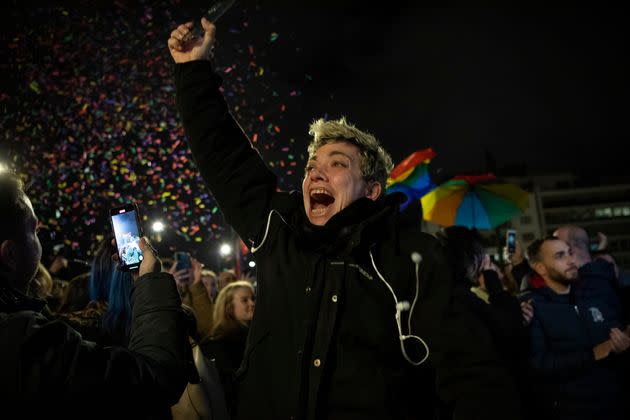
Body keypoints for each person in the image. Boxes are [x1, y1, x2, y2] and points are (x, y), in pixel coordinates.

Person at [169, 19, 455, 420]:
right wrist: (193, 69)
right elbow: (224, 155)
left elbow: (467, 372)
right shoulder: (277, 227)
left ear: (372, 190)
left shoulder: (411, 259)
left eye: (337, 164)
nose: (316, 173)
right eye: (311, 165)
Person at [0, 172, 190, 416]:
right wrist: (149, 281)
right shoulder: (25, 342)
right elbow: (154, 381)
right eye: (34, 231)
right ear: (10, 255)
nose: (40, 241)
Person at [522, 236, 630, 420]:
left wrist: (622, 343)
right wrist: (593, 354)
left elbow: (616, 335)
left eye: (570, 253)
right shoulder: (533, 307)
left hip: (615, 405)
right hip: (572, 410)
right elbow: (539, 365)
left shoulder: (593, 294)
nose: (571, 260)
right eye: (559, 256)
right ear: (540, 268)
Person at [434, 226, 530, 419]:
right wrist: (494, 284)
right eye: (481, 256)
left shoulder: (442, 296)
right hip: (485, 403)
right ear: (471, 259)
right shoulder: (462, 300)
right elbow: (510, 334)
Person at [200, 280, 255, 410]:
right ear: (229, 307)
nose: (252, 303)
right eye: (244, 300)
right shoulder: (218, 344)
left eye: (253, 298)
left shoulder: (251, 335)